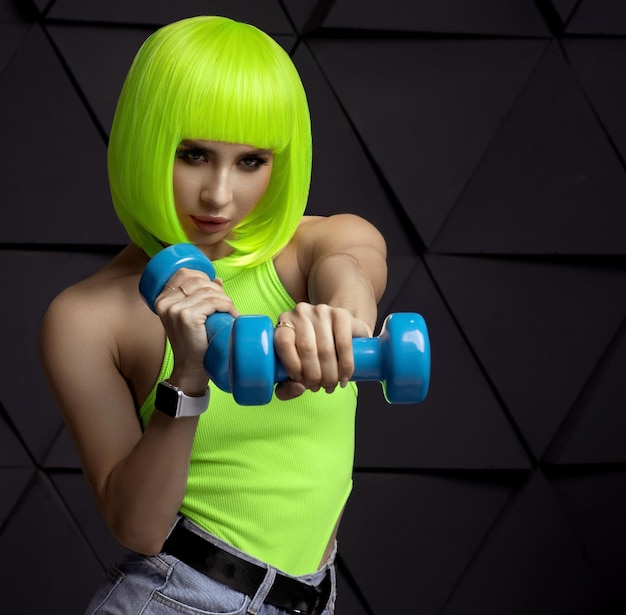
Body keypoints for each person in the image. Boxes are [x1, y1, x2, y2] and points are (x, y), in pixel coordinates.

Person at [39, 15, 387, 615]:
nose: (219, 195)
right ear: (146, 143)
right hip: (179, 599)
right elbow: (139, 528)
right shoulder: (85, 319)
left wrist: (343, 323)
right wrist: (189, 375)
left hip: (312, 598)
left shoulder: (319, 247)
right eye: (194, 154)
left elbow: (353, 268)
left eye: (251, 161)